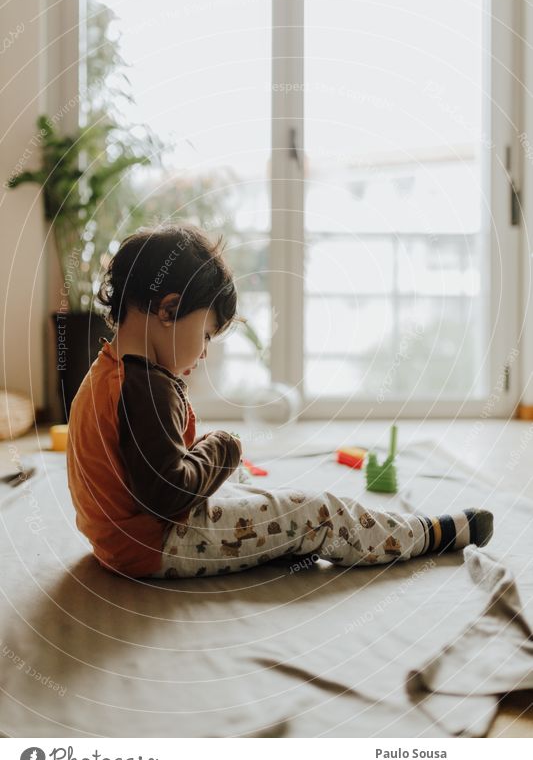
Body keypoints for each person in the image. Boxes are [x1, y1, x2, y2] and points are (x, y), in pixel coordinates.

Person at [66, 224, 494, 580]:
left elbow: (149, 477)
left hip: (118, 542)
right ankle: (426, 535)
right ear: (169, 308)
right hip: (156, 545)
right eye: (207, 335)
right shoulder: (145, 386)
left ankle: (289, 540)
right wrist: (224, 447)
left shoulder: (108, 371)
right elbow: (168, 493)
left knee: (261, 496)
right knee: (318, 511)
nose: (204, 352)